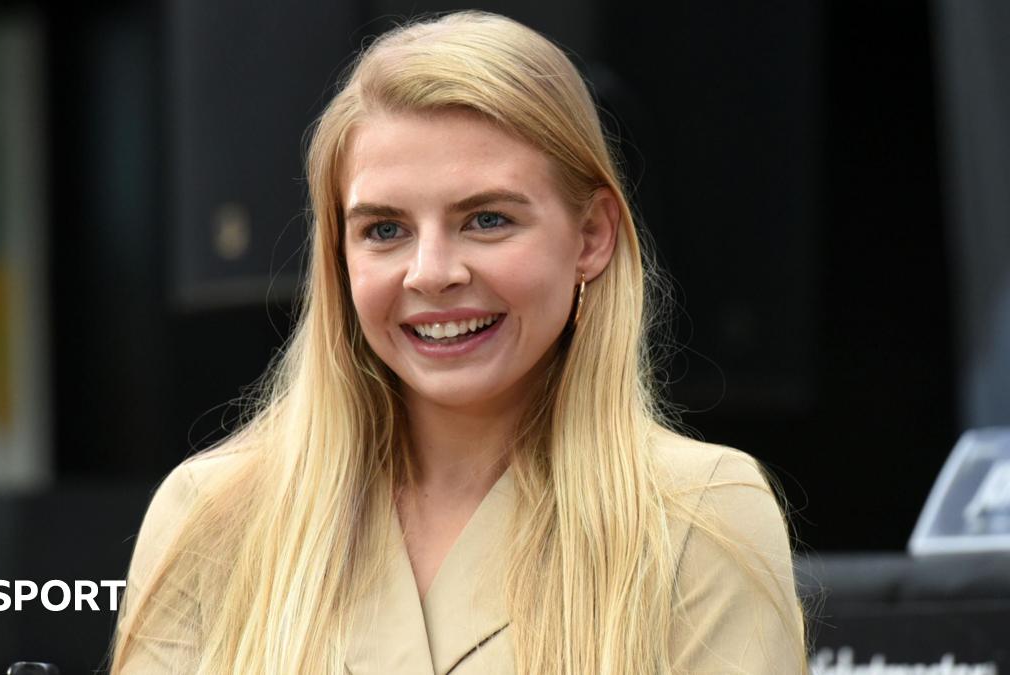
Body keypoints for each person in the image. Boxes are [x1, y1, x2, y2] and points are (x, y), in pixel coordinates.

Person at [111, 10, 807, 674]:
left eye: (487, 219)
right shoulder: (212, 514)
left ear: (591, 236)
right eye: (385, 229)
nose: (433, 272)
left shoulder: (700, 517)